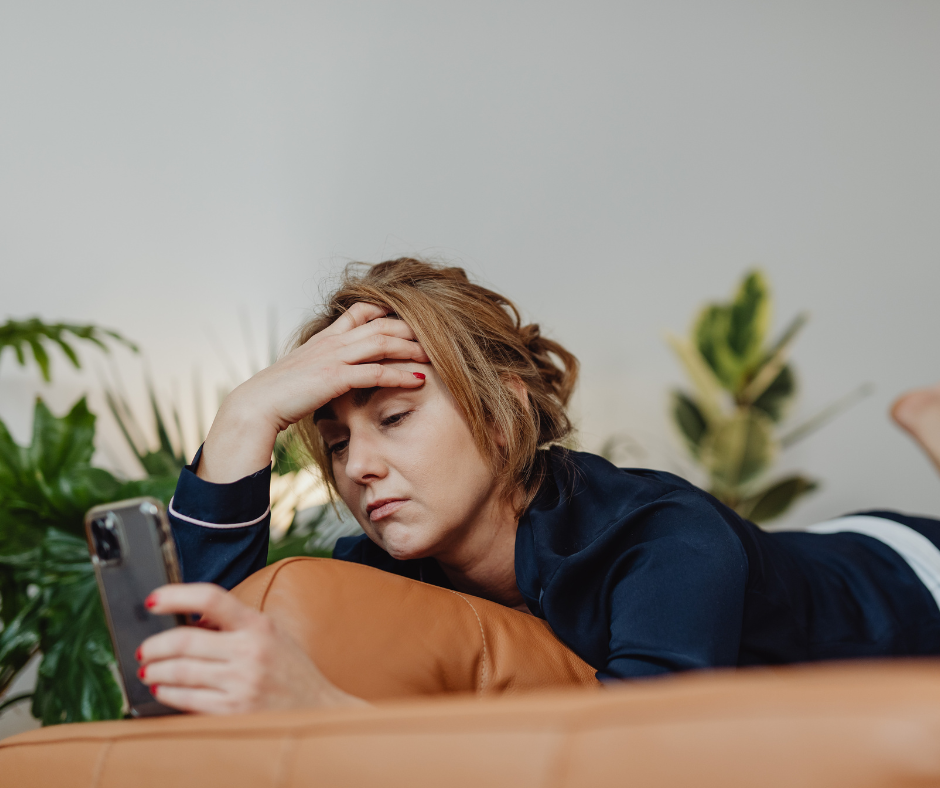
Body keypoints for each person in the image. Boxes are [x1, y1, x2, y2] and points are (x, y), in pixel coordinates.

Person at [137, 258, 940, 715]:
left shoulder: (662, 538)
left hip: (904, 578)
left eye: (396, 418)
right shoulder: (386, 570)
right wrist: (246, 417)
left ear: (501, 414)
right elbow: (201, 651)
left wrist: (330, 714)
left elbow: (641, 757)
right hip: (794, 554)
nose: (358, 468)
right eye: (338, 443)